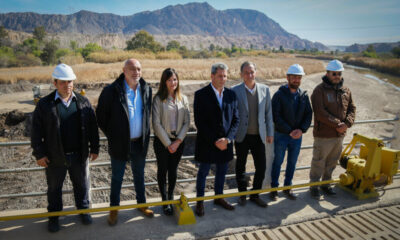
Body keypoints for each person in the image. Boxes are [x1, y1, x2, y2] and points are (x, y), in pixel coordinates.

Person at [31, 63, 99, 233]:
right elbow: (35, 132)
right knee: (54, 188)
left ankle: (83, 211)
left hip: (79, 155)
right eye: (63, 82)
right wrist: (39, 154)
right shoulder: (44, 105)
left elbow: (92, 127)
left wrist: (95, 148)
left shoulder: (82, 102)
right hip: (55, 157)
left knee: (81, 185)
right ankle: (54, 217)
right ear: (55, 83)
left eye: (70, 82)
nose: (67, 85)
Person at [96, 59, 153, 226]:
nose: (136, 72)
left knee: (139, 175)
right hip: (120, 144)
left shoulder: (146, 89)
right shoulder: (111, 91)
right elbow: (101, 117)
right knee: (117, 177)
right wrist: (114, 136)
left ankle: (142, 204)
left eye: (139, 69)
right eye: (132, 69)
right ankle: (114, 209)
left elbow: (147, 115)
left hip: (139, 143)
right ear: (124, 70)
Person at [194, 62, 239, 217]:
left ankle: (219, 198)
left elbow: (236, 120)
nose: (223, 79)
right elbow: (200, 122)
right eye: (220, 75)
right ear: (212, 76)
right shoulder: (200, 95)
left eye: (225, 76)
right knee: (203, 172)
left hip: (225, 143)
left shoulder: (231, 95)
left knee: (222, 172)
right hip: (207, 142)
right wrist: (215, 140)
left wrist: (227, 139)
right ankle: (200, 202)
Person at [309, 59, 356, 199]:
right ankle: (314, 187)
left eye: (339, 73)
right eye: (333, 73)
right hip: (324, 136)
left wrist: (347, 123)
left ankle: (326, 184)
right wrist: (338, 125)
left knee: (332, 161)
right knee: (319, 162)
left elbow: (352, 109)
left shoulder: (346, 90)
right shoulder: (319, 90)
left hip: (339, 135)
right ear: (327, 73)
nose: (336, 76)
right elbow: (320, 112)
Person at [232, 61, 273, 208]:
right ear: (241, 74)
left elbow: (268, 114)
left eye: (252, 72)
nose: (249, 75)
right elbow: (231, 114)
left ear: (256, 72)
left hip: (259, 136)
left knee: (261, 166)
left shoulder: (265, 90)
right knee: (240, 166)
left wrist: (270, 132)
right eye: (246, 72)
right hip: (241, 136)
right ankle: (242, 194)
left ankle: (255, 194)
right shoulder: (234, 90)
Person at [269, 64, 312, 201]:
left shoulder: (304, 96)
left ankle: (288, 187)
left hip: (297, 137)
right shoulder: (279, 95)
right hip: (281, 136)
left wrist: (301, 130)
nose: (296, 80)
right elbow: (276, 116)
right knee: (278, 162)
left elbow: (308, 115)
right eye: (294, 77)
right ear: (287, 77)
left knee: (292, 163)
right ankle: (274, 189)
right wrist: (290, 131)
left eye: (299, 77)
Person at [152, 68, 190, 215]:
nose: (173, 82)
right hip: (162, 142)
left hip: (178, 142)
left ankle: (171, 195)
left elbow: (187, 122)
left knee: (173, 170)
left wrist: (178, 141)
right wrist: (169, 143)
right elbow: (156, 123)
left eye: (175, 79)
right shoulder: (158, 99)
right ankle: (165, 200)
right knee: (163, 170)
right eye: (169, 80)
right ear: (164, 82)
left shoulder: (184, 99)